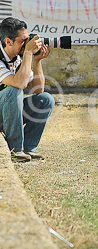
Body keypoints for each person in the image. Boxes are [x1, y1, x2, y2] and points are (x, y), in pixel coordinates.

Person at [0, 18, 55, 163]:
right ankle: (15, 149)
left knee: (45, 99)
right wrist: (29, 53)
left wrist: (36, 61)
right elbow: (19, 83)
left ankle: (28, 149)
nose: (27, 44)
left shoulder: (18, 58)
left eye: (28, 39)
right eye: (23, 41)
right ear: (8, 41)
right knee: (14, 90)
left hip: (7, 113)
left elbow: (38, 89)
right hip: (3, 111)